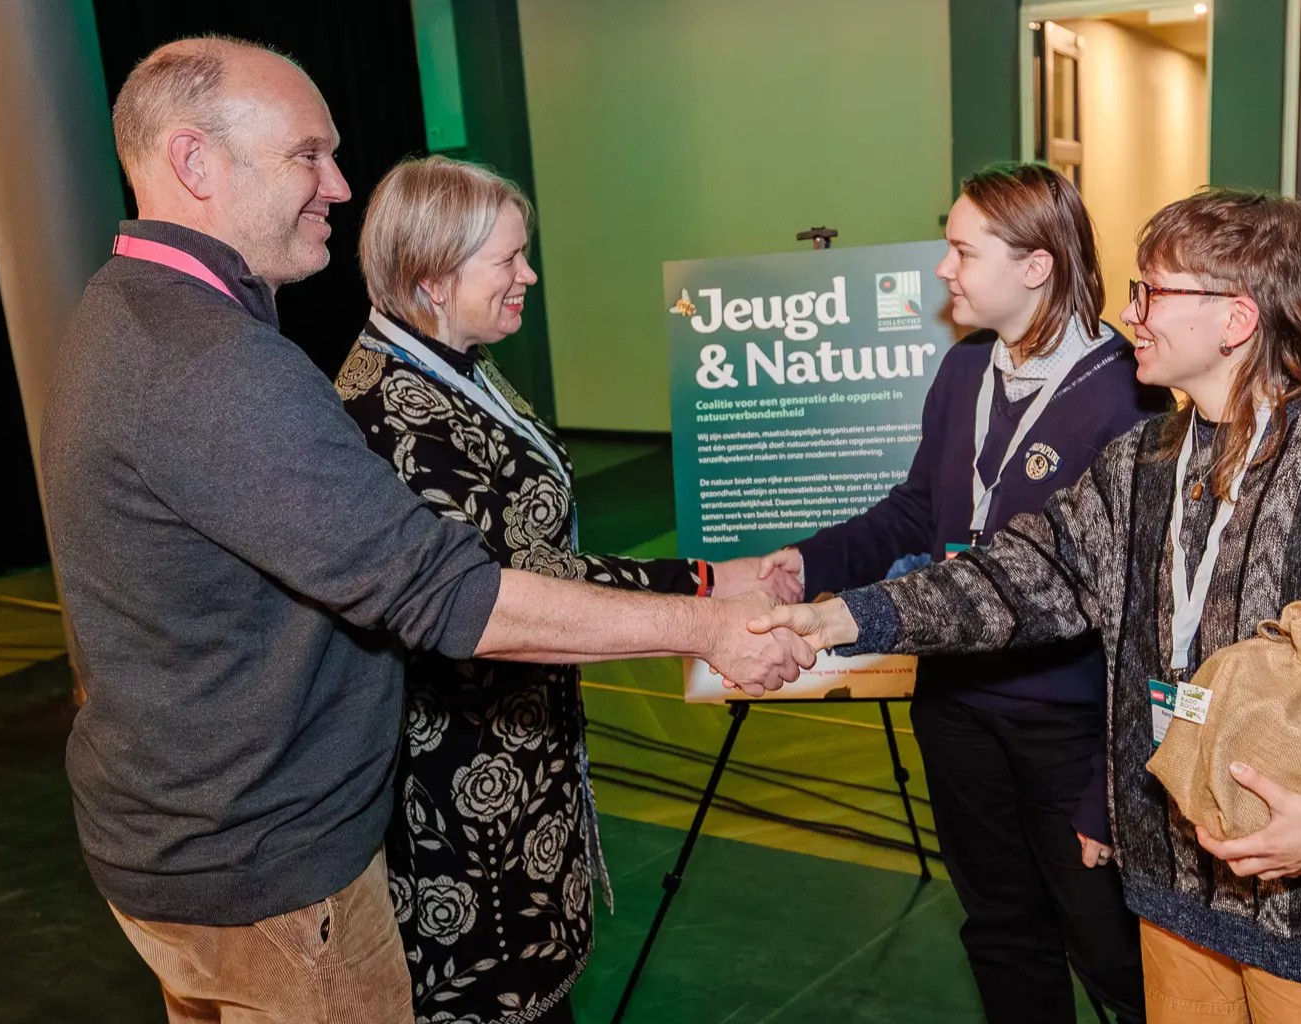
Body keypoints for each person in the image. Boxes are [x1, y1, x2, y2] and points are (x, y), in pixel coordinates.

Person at [42, 37, 808, 1024]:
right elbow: (451, 594)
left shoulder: (126, 317)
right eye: (307, 155)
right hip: (269, 872)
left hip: (186, 845)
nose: (337, 183)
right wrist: (705, 622)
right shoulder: (219, 368)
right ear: (195, 163)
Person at [752, 188, 1301, 1023]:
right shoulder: (1142, 459)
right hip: (1174, 905)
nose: (1129, 313)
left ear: (1235, 319)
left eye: (1151, 292)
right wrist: (842, 619)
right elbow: (1016, 577)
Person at [337, 155, 782, 1022]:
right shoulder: (389, 413)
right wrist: (706, 603)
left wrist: (710, 579)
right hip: (458, 789)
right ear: (432, 277)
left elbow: (536, 552)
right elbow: (512, 589)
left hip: (515, 752)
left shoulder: (451, 363)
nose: (528, 274)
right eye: (507, 259)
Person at [718, 162, 1163, 1023]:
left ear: (1035, 266)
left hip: (1068, 724)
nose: (943, 270)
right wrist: (805, 565)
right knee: (1000, 929)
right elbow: (918, 507)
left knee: (1110, 949)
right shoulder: (964, 371)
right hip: (955, 699)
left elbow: (1143, 610)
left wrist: (1110, 781)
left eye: (961, 250)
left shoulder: (1130, 396)